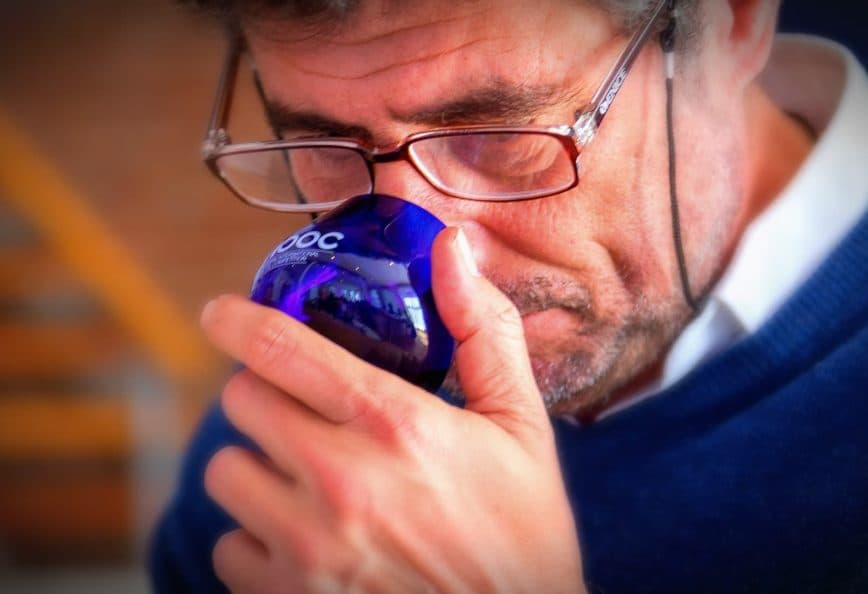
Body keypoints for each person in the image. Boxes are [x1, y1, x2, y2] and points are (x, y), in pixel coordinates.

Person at [150, 0, 868, 592]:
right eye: (325, 148)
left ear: (731, 24)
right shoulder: (294, 471)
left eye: (503, 138)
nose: (427, 264)